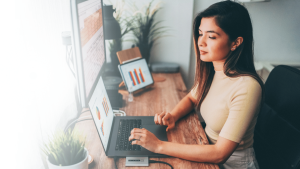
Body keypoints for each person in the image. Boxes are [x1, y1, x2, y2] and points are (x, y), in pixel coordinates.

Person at [129, 1, 263, 168]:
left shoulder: (247, 87)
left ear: (235, 43)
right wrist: (172, 115)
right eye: (200, 33)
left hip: (231, 164)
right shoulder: (214, 70)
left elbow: (220, 153)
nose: (201, 42)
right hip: (206, 149)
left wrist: (159, 146)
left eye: (211, 36)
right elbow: (192, 98)